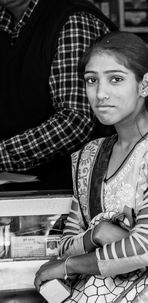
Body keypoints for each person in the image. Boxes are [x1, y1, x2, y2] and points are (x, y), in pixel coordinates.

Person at [34, 31, 148, 302]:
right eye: (91, 80)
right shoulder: (89, 156)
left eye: (116, 79)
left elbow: (145, 249)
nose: (100, 93)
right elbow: (66, 245)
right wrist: (102, 234)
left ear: (144, 85)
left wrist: (73, 263)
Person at [0, 0, 117, 189]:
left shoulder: (72, 20)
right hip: (18, 191)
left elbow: (75, 119)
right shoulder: (6, 22)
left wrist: (3, 155)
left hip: (74, 192)